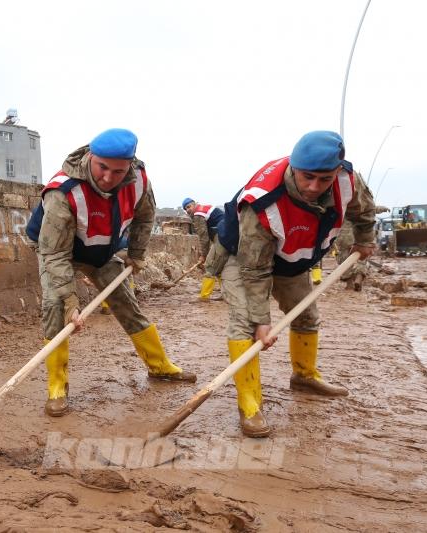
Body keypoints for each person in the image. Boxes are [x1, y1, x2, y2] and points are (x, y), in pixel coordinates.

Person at [26, 128, 197, 416]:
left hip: (102, 250)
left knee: (126, 303)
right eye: (101, 167)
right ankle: (57, 387)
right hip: (58, 251)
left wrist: (137, 255)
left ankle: (159, 367)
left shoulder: (139, 180)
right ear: (91, 156)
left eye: (117, 171)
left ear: (130, 165)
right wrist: (70, 302)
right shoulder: (63, 191)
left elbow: (145, 216)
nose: (107, 177)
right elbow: (54, 254)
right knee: (55, 307)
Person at [216, 131, 376, 437]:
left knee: (306, 316)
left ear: (337, 171)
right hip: (243, 256)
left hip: (292, 255)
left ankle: (304, 376)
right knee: (245, 324)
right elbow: (255, 268)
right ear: (294, 168)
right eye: (307, 177)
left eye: (324, 179)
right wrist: (262, 322)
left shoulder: (347, 179)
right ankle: (249, 405)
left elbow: (364, 210)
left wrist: (364, 240)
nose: (314, 187)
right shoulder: (262, 200)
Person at [182, 198, 227, 301]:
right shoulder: (204, 209)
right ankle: (226, 294)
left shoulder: (198, 215)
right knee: (220, 266)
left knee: (209, 266)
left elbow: (204, 238)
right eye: (185, 209)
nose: (188, 210)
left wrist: (203, 255)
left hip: (222, 236)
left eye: (189, 206)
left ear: (194, 204)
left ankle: (204, 296)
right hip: (226, 235)